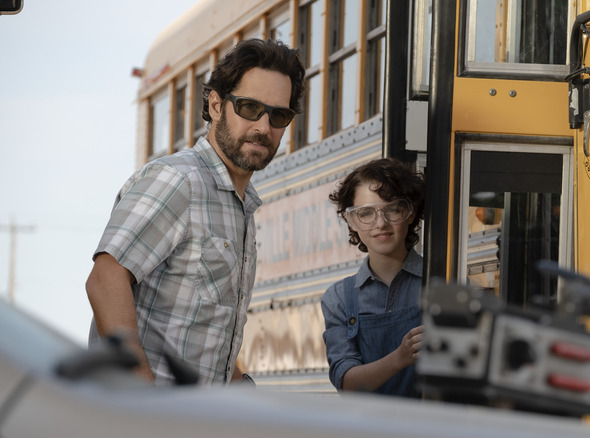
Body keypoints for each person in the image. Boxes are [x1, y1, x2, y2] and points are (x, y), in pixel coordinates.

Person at [85, 39, 305, 386]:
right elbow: (106, 279)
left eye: (278, 115)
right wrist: (139, 392)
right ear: (216, 105)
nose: (264, 127)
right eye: (249, 107)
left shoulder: (240, 205)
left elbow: (200, 327)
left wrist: (239, 388)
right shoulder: (178, 180)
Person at [320, 158, 425, 397]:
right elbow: (346, 382)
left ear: (410, 213)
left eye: (393, 209)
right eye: (366, 213)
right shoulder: (339, 298)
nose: (381, 223)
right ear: (352, 221)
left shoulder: (444, 282)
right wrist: (400, 358)